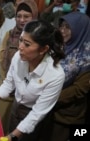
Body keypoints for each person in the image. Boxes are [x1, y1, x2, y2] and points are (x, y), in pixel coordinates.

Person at [0, 20, 66, 141]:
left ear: (43, 49)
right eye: (20, 40)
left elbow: (37, 114)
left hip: (35, 117)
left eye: (27, 44)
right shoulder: (19, 57)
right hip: (16, 107)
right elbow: (9, 83)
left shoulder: (55, 75)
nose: (20, 47)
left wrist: (11, 136)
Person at [37, 12, 90, 141]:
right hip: (48, 112)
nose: (63, 31)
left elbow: (79, 90)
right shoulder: (59, 48)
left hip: (67, 117)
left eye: (68, 27)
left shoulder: (86, 58)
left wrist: (50, 96)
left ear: (80, 29)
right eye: (61, 26)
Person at [0, 0, 38, 134]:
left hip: (28, 91)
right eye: (19, 16)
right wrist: (9, 80)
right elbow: (1, 57)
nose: (22, 20)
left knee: (21, 126)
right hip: (7, 83)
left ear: (33, 16)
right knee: (2, 122)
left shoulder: (40, 38)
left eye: (26, 16)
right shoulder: (9, 34)